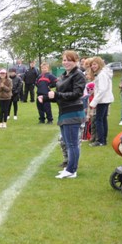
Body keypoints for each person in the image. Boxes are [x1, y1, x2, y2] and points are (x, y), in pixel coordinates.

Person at [43, 50, 86, 179]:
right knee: (68, 143)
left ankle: (72, 170)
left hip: (73, 112)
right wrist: (46, 98)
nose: (66, 62)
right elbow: (60, 96)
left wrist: (56, 95)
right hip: (64, 112)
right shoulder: (64, 75)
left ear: (76, 61)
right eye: (64, 60)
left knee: (72, 143)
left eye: (69, 60)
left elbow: (77, 94)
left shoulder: (78, 75)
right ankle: (69, 168)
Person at [88, 56, 113, 147]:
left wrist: (93, 102)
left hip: (102, 100)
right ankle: (103, 140)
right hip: (105, 99)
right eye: (91, 65)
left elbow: (102, 90)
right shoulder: (102, 73)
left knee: (99, 120)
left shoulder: (102, 74)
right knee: (103, 119)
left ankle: (101, 141)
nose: (93, 66)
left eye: (94, 64)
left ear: (99, 64)